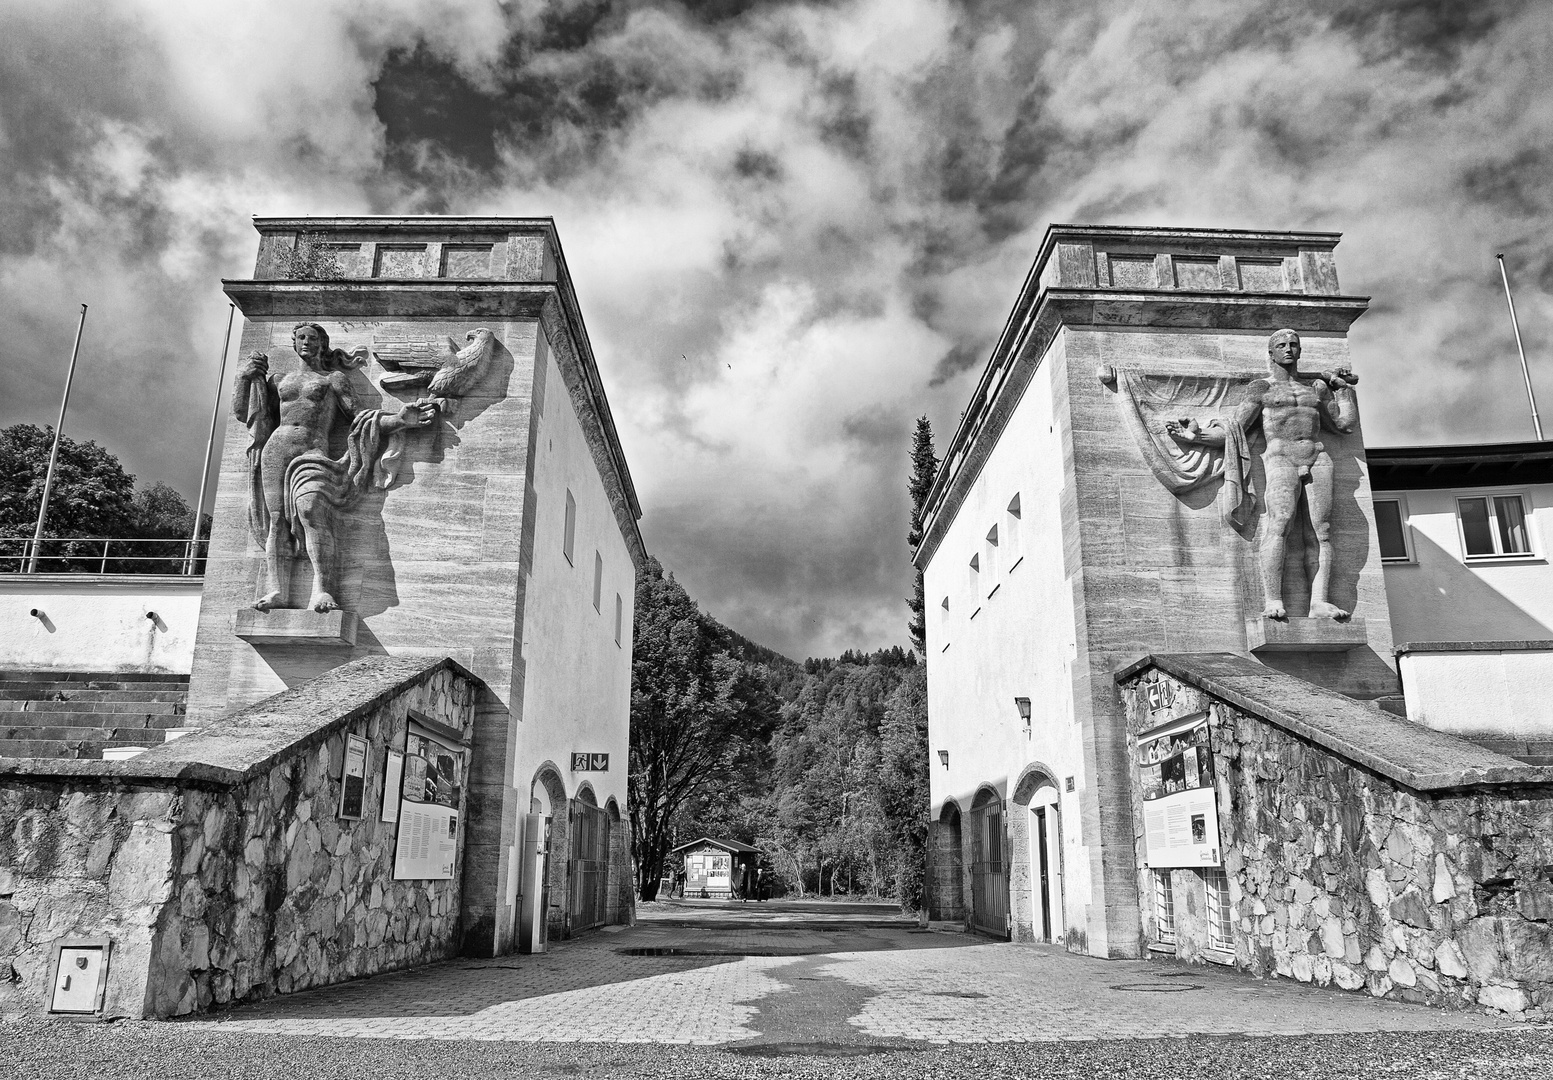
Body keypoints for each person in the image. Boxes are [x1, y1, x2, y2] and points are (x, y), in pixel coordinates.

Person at [233, 323, 435, 612]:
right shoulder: (278, 379)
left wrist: (400, 420)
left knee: (310, 509)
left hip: (312, 452)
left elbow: (359, 417)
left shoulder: (333, 379)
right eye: (301, 337)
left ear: (323, 344)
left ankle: (322, 589)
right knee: (276, 520)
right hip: (276, 449)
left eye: (313, 338)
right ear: (293, 343)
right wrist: (246, 377)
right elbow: (245, 413)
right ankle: (276, 589)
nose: (306, 342)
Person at [1167, 330, 1357, 620]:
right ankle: (1273, 599)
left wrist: (1342, 390)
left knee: (1322, 531)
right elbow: (1234, 430)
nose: (1288, 350)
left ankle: (1319, 601)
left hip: (1318, 457)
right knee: (1279, 524)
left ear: (1300, 350)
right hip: (1280, 458)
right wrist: (1197, 435)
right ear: (1271, 354)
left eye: (1294, 345)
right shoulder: (1261, 389)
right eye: (1281, 346)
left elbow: (1344, 424)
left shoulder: (1315, 389)